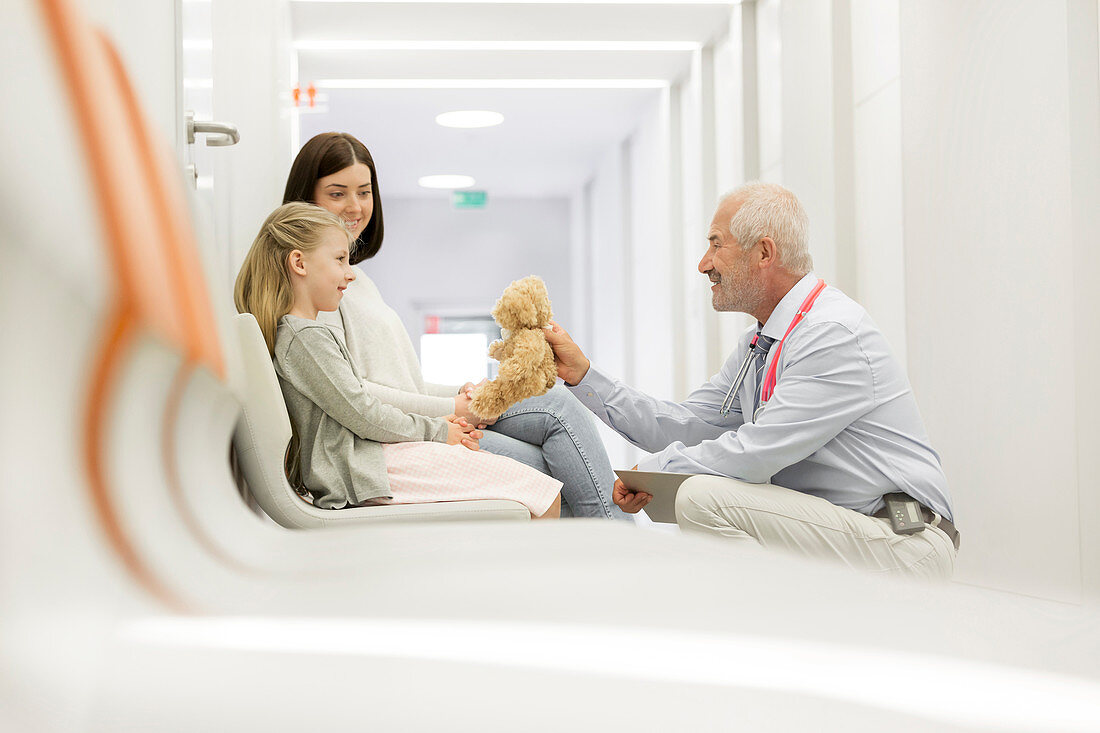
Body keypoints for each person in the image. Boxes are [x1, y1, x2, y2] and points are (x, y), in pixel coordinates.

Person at [545, 182, 959, 578]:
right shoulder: (759, 344)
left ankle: (772, 635)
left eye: (715, 244)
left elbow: (756, 453)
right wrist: (584, 376)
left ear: (764, 252)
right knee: (699, 500)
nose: (703, 263)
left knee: (701, 498)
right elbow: (685, 425)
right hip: (852, 533)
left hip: (904, 542)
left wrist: (657, 469)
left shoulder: (832, 333)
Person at [281, 131, 627, 520]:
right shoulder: (319, 291)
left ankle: (612, 542)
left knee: (555, 412)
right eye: (337, 193)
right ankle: (616, 544)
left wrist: (461, 393)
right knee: (549, 451)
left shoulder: (357, 281)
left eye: (364, 192)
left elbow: (399, 381)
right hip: (393, 442)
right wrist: (455, 406)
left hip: (420, 420)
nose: (355, 206)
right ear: (306, 200)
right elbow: (357, 396)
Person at [234, 202, 562, 518]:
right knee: (542, 495)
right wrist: (437, 432)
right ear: (299, 263)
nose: (349, 275)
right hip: (363, 473)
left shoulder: (303, 335)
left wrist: (441, 426)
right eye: (339, 259)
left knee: (538, 490)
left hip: (370, 465)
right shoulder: (305, 338)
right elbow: (362, 412)